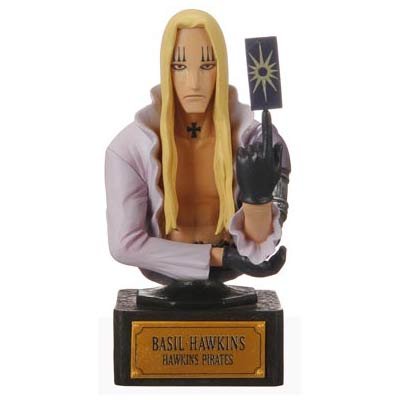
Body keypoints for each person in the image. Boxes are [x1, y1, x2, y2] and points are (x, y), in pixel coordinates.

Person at [105, 9, 290, 284]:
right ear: (166, 70)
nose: (194, 83)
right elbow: (124, 244)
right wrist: (220, 257)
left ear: (221, 68)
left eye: (207, 65)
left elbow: (262, 242)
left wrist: (257, 200)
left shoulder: (259, 142)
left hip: (233, 265)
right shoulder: (129, 148)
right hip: (169, 270)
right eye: (179, 66)